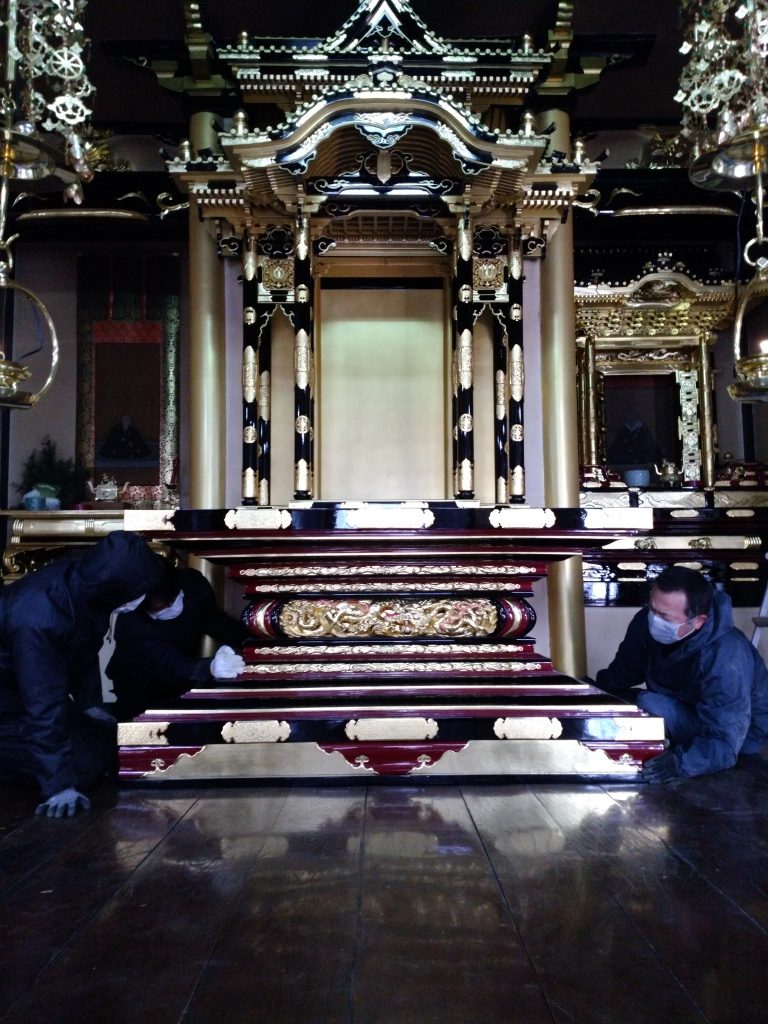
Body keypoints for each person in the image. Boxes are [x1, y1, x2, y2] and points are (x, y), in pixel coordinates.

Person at [0, 531, 164, 817]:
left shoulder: (84, 585)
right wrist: (59, 787)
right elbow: (43, 703)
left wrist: (91, 707)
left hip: (22, 701)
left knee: (110, 738)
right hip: (11, 706)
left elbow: (84, 653)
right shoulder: (39, 616)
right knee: (82, 763)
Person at [596, 565, 768, 782]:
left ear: (698, 621)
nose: (654, 619)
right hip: (686, 707)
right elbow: (621, 675)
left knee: (647, 703)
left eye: (664, 616)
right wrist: (593, 692)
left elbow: (725, 741)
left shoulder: (726, 655)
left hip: (739, 735)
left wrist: (679, 763)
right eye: (652, 609)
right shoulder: (644, 622)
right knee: (624, 702)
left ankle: (680, 749)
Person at [106, 561, 246, 721]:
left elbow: (214, 621)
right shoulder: (131, 626)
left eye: (171, 600)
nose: (170, 607)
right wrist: (210, 667)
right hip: (141, 689)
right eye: (159, 608)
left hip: (182, 682)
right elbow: (171, 665)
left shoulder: (193, 584)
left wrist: (252, 641)